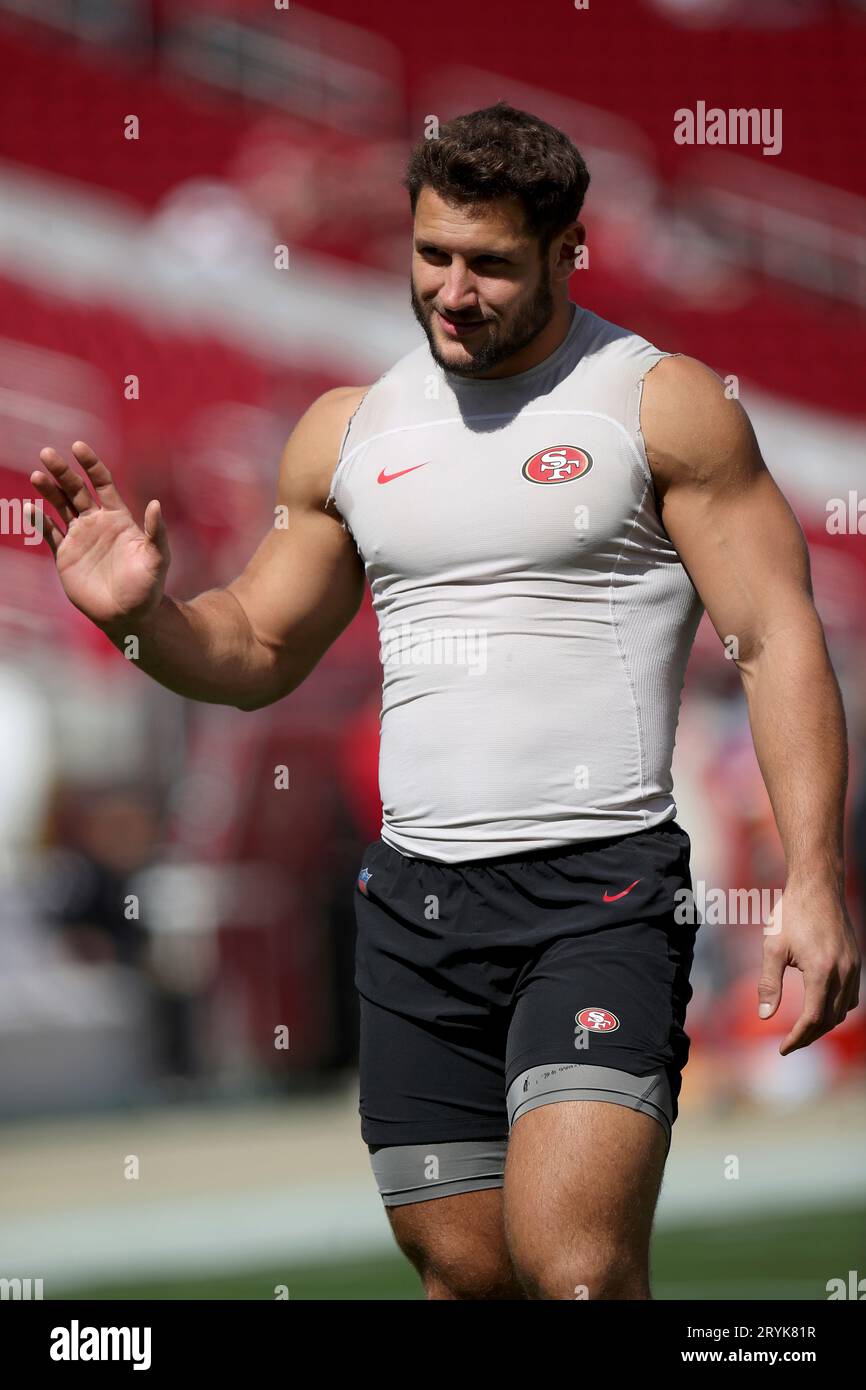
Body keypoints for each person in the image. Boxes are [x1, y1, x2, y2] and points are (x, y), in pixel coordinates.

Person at [27, 102, 860, 1300]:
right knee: (465, 1278)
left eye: (490, 264)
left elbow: (776, 637)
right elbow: (255, 646)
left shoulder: (657, 402)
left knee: (573, 1269)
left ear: (567, 252)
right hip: (417, 909)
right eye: (432, 255)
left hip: (598, 893)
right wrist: (139, 617)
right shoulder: (346, 432)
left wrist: (812, 881)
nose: (453, 291)